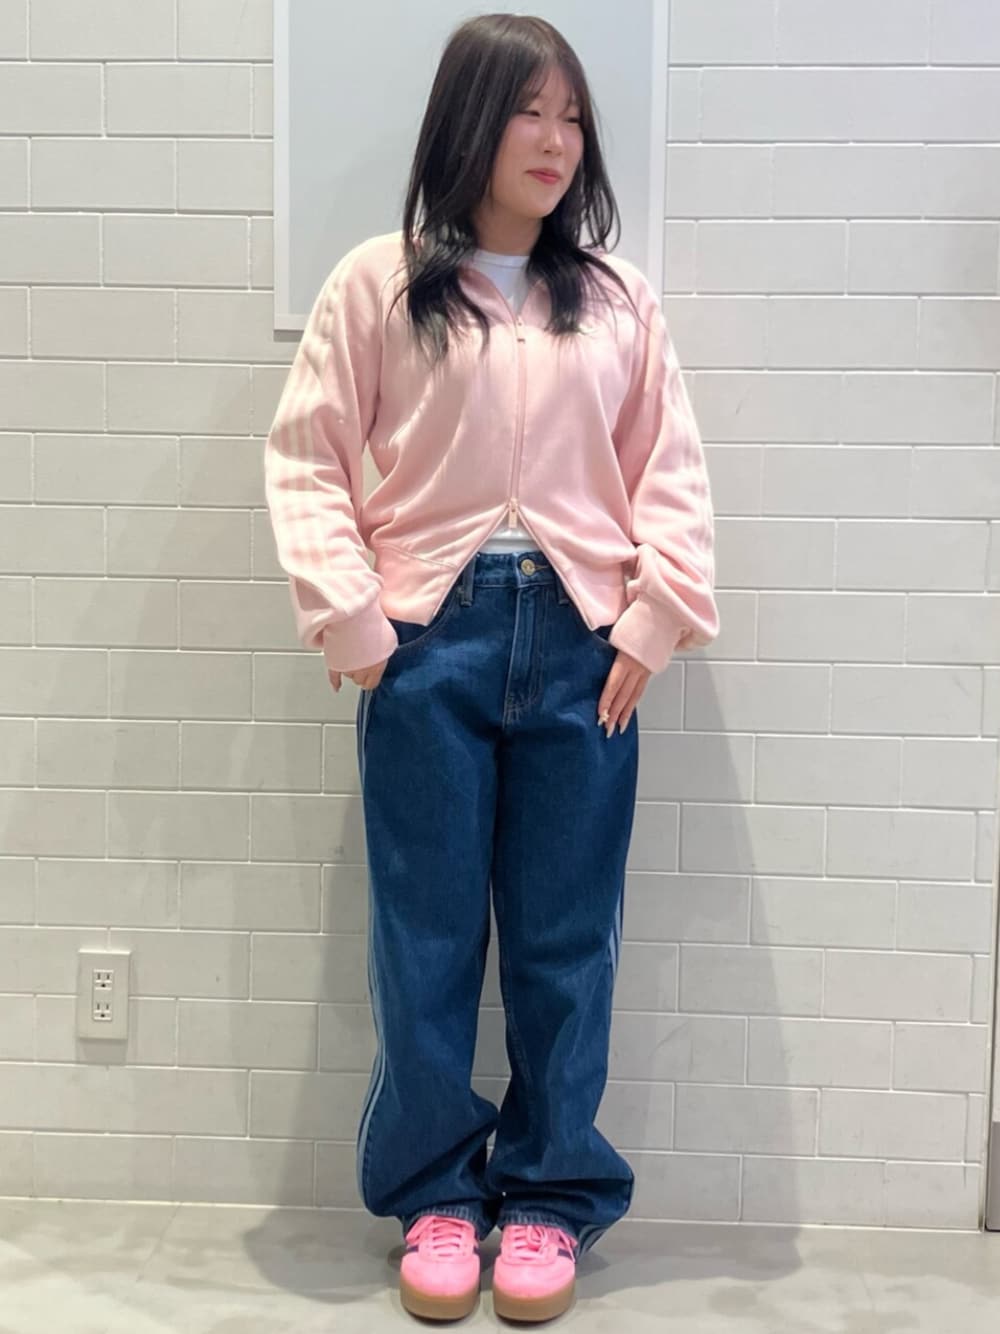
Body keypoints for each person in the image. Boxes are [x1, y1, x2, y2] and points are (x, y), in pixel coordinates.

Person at [264, 11, 719, 1324]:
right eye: (529, 110)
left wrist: (651, 622)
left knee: (567, 940)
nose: (556, 140)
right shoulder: (379, 285)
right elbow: (306, 458)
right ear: (469, 120)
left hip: (584, 648)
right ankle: (437, 1195)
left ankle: (549, 1197)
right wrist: (356, 624)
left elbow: (670, 473)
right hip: (428, 641)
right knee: (425, 937)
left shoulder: (617, 299)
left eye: (572, 116)